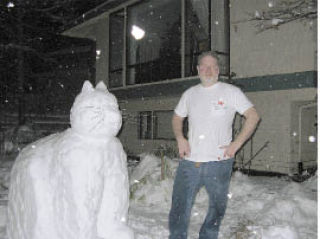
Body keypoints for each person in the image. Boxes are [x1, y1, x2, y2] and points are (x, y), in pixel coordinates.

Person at [169, 51, 260, 239]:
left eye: (212, 67)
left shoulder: (231, 92)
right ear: (197, 69)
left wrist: (236, 144)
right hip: (189, 162)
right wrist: (180, 137)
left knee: (217, 208)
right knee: (179, 208)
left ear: (218, 70)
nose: (208, 70)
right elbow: (177, 117)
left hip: (219, 163)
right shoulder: (190, 93)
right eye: (204, 66)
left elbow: (253, 116)